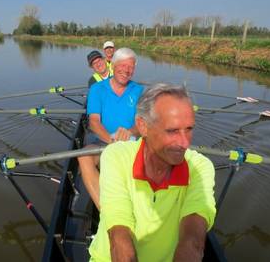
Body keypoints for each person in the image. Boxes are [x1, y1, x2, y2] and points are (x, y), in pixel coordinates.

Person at [89, 83, 216, 262]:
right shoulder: (116, 155)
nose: (184, 143)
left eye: (189, 129)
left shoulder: (200, 167)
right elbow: (119, 233)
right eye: (172, 131)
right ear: (143, 126)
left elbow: (192, 242)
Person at [78, 48, 144, 210]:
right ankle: (106, 211)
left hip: (132, 144)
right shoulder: (96, 89)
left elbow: (142, 123)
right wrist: (111, 140)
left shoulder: (139, 91)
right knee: (83, 157)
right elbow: (94, 122)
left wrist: (131, 132)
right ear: (113, 65)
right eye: (122, 65)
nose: (127, 70)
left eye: (131, 67)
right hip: (103, 142)